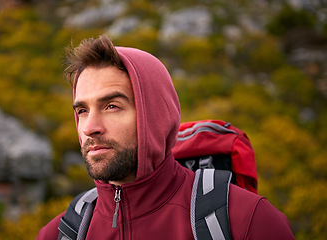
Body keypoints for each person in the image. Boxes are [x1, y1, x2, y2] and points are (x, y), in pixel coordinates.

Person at [37, 35, 294, 239]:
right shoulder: (60, 233)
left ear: (156, 116)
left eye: (111, 106)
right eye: (82, 110)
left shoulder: (249, 221)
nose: (89, 127)